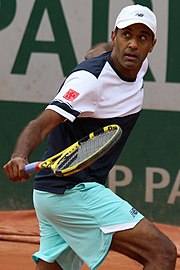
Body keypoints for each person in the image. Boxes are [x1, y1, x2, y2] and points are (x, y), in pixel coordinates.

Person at [3, 4, 177, 270]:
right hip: (70, 191)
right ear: (114, 35)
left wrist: (102, 51)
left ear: (152, 44)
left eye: (142, 37)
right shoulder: (88, 81)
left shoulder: (137, 63)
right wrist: (19, 155)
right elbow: (39, 125)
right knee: (162, 253)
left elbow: (95, 51)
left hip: (51, 193)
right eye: (126, 35)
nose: (133, 44)